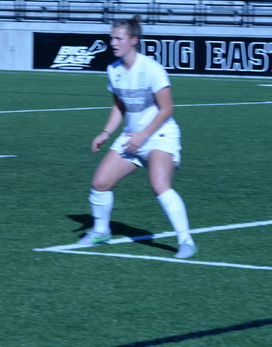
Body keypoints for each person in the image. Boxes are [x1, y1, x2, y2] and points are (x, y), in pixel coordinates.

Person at [77, 15, 196, 259]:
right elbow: (119, 106)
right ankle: (101, 232)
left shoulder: (151, 69)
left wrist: (143, 136)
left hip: (159, 134)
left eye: (118, 38)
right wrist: (106, 132)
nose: (112, 43)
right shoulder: (113, 70)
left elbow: (167, 109)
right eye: (111, 38)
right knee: (100, 183)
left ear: (133, 40)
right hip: (131, 136)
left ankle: (186, 242)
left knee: (159, 184)